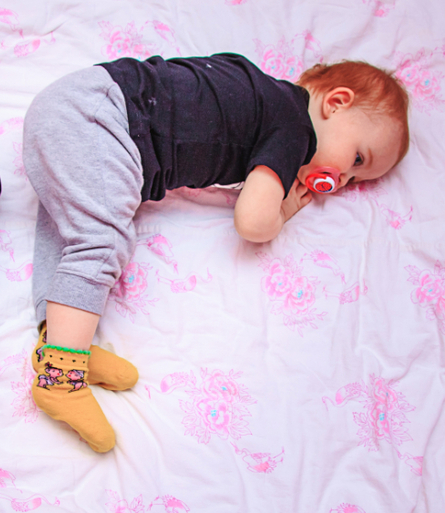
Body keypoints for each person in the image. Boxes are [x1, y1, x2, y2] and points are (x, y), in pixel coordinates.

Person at [22, 53, 409, 453]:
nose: (341, 181)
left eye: (355, 181)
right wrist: (281, 213)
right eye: (356, 160)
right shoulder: (295, 128)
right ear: (336, 102)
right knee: (102, 242)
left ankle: (60, 345)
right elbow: (252, 221)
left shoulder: (258, 93)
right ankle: (60, 379)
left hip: (77, 104)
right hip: (101, 120)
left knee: (76, 229)